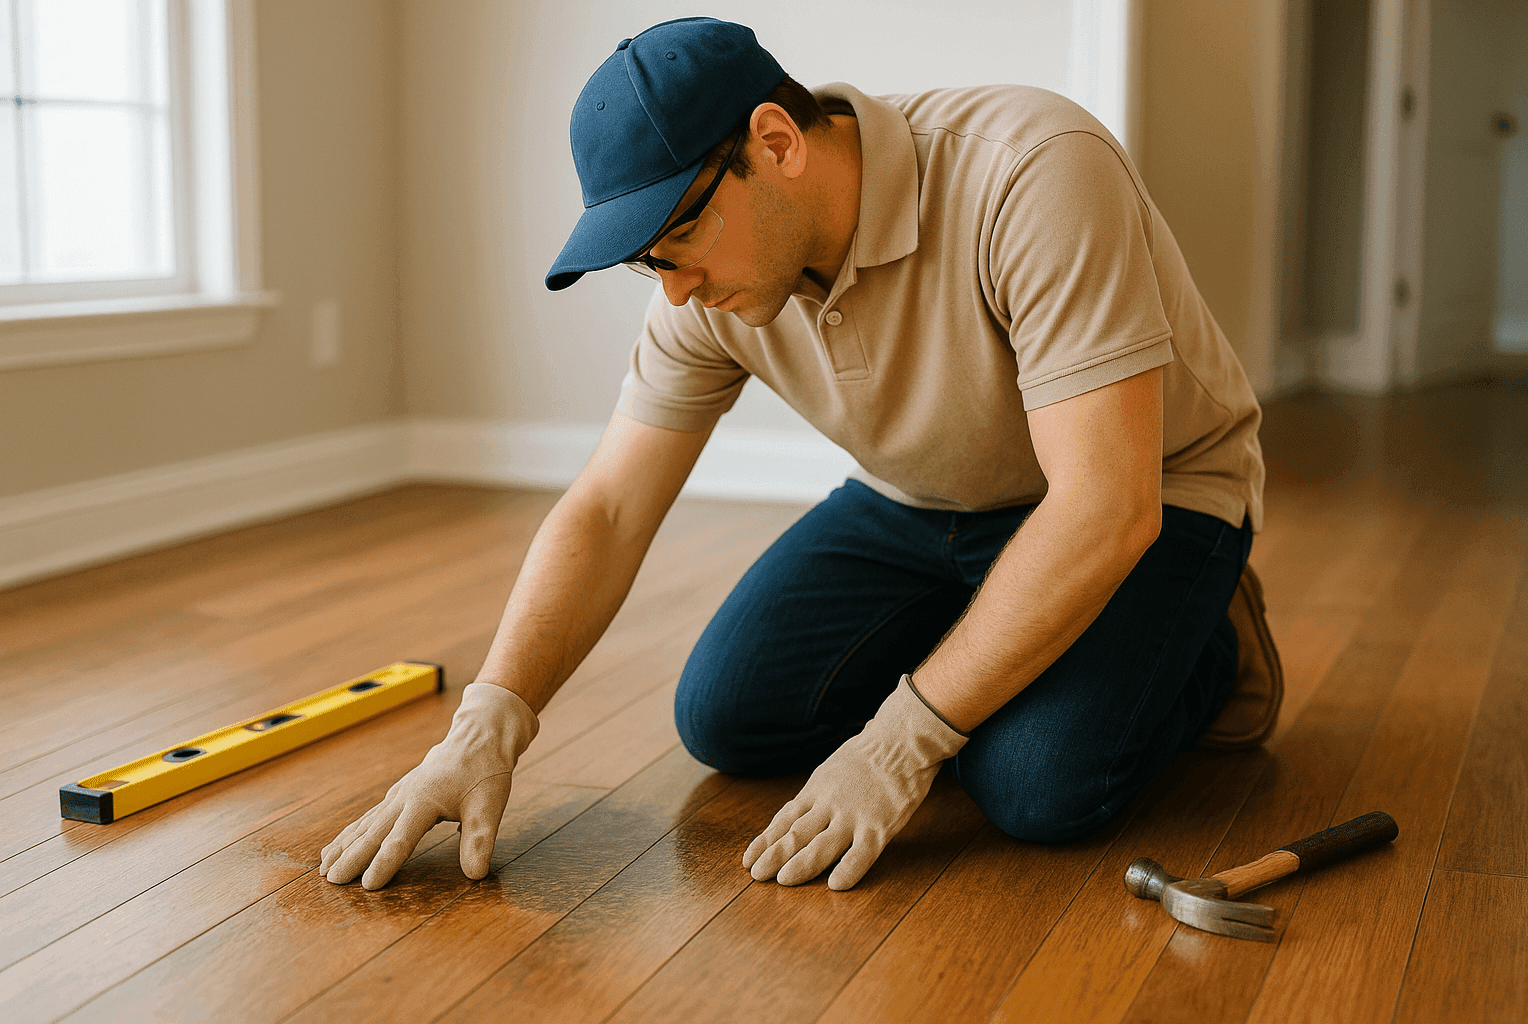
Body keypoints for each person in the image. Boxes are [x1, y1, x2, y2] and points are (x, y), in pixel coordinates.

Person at [320, 16, 1283, 893]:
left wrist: (905, 739)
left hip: (1148, 493)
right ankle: (999, 639)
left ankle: (1206, 643)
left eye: (682, 238)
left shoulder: (1031, 169)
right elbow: (610, 504)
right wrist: (490, 718)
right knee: (727, 718)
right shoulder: (698, 285)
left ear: (775, 143)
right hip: (918, 499)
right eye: (645, 263)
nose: (679, 290)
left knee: (1036, 787)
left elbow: (1103, 506)